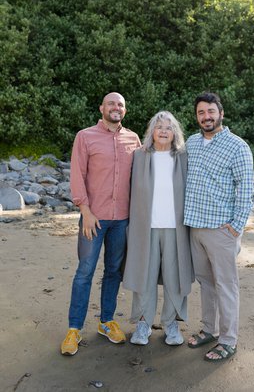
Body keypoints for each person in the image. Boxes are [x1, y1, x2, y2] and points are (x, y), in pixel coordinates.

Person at [62, 92, 142, 356]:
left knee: (114, 271)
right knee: (85, 272)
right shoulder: (85, 136)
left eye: (120, 104)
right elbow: (77, 174)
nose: (116, 107)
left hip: (122, 220)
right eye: (111, 103)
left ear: (125, 110)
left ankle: (106, 321)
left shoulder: (133, 139)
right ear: (102, 108)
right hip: (93, 219)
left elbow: (143, 177)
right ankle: (74, 329)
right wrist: (85, 210)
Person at [183, 92, 254, 362]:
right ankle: (209, 330)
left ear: (221, 113)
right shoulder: (191, 142)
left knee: (226, 285)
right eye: (201, 113)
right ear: (197, 117)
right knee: (206, 283)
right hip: (195, 227)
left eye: (211, 111)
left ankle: (228, 340)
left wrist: (235, 227)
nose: (206, 117)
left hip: (221, 230)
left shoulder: (238, 146)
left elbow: (245, 189)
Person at [122, 111, 193, 346]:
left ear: (175, 133)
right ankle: (143, 324)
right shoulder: (140, 156)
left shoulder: (183, 157)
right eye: (159, 126)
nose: (163, 131)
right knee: (145, 275)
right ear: (151, 131)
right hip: (145, 228)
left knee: (175, 277)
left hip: (176, 229)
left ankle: (171, 323)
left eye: (169, 127)